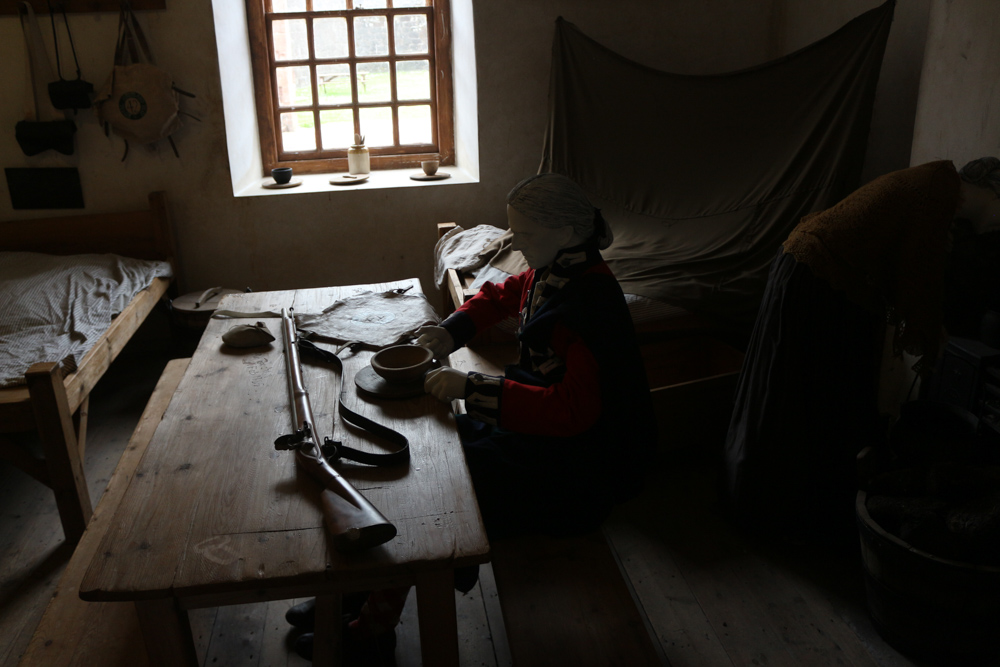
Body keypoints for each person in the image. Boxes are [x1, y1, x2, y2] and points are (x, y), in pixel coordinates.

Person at [287, 172, 657, 663]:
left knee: (437, 493)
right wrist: (450, 331)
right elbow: (506, 293)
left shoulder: (591, 306)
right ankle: (363, 587)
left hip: (571, 471)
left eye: (524, 235)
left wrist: (474, 388)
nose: (516, 244)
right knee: (416, 460)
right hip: (533, 435)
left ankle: (373, 626)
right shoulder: (559, 272)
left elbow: (572, 412)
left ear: (567, 233)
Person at [722, 157, 1000, 544]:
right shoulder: (940, 182)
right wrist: (931, 332)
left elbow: (911, 262)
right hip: (816, 277)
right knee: (800, 395)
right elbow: (921, 267)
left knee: (807, 393)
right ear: (991, 188)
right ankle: (779, 511)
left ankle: (787, 505)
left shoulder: (939, 190)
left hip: (817, 277)